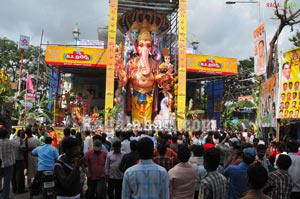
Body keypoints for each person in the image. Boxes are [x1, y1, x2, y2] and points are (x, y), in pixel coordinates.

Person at [0, 128, 17, 199]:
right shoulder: (11, 142)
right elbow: (18, 145)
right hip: (9, 164)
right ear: (7, 135)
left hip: (0, 164)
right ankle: (5, 196)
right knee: (7, 182)